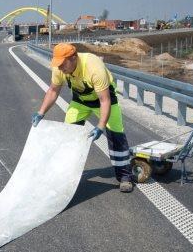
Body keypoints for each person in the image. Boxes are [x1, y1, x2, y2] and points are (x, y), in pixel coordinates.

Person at [32, 43, 133, 192]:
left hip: (104, 101)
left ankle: (125, 177)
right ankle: (67, 174)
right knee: (68, 133)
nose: (60, 68)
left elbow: (105, 100)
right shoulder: (59, 68)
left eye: (62, 64)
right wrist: (41, 112)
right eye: (57, 64)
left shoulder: (93, 67)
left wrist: (100, 126)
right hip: (80, 101)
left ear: (73, 58)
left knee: (116, 134)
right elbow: (53, 91)